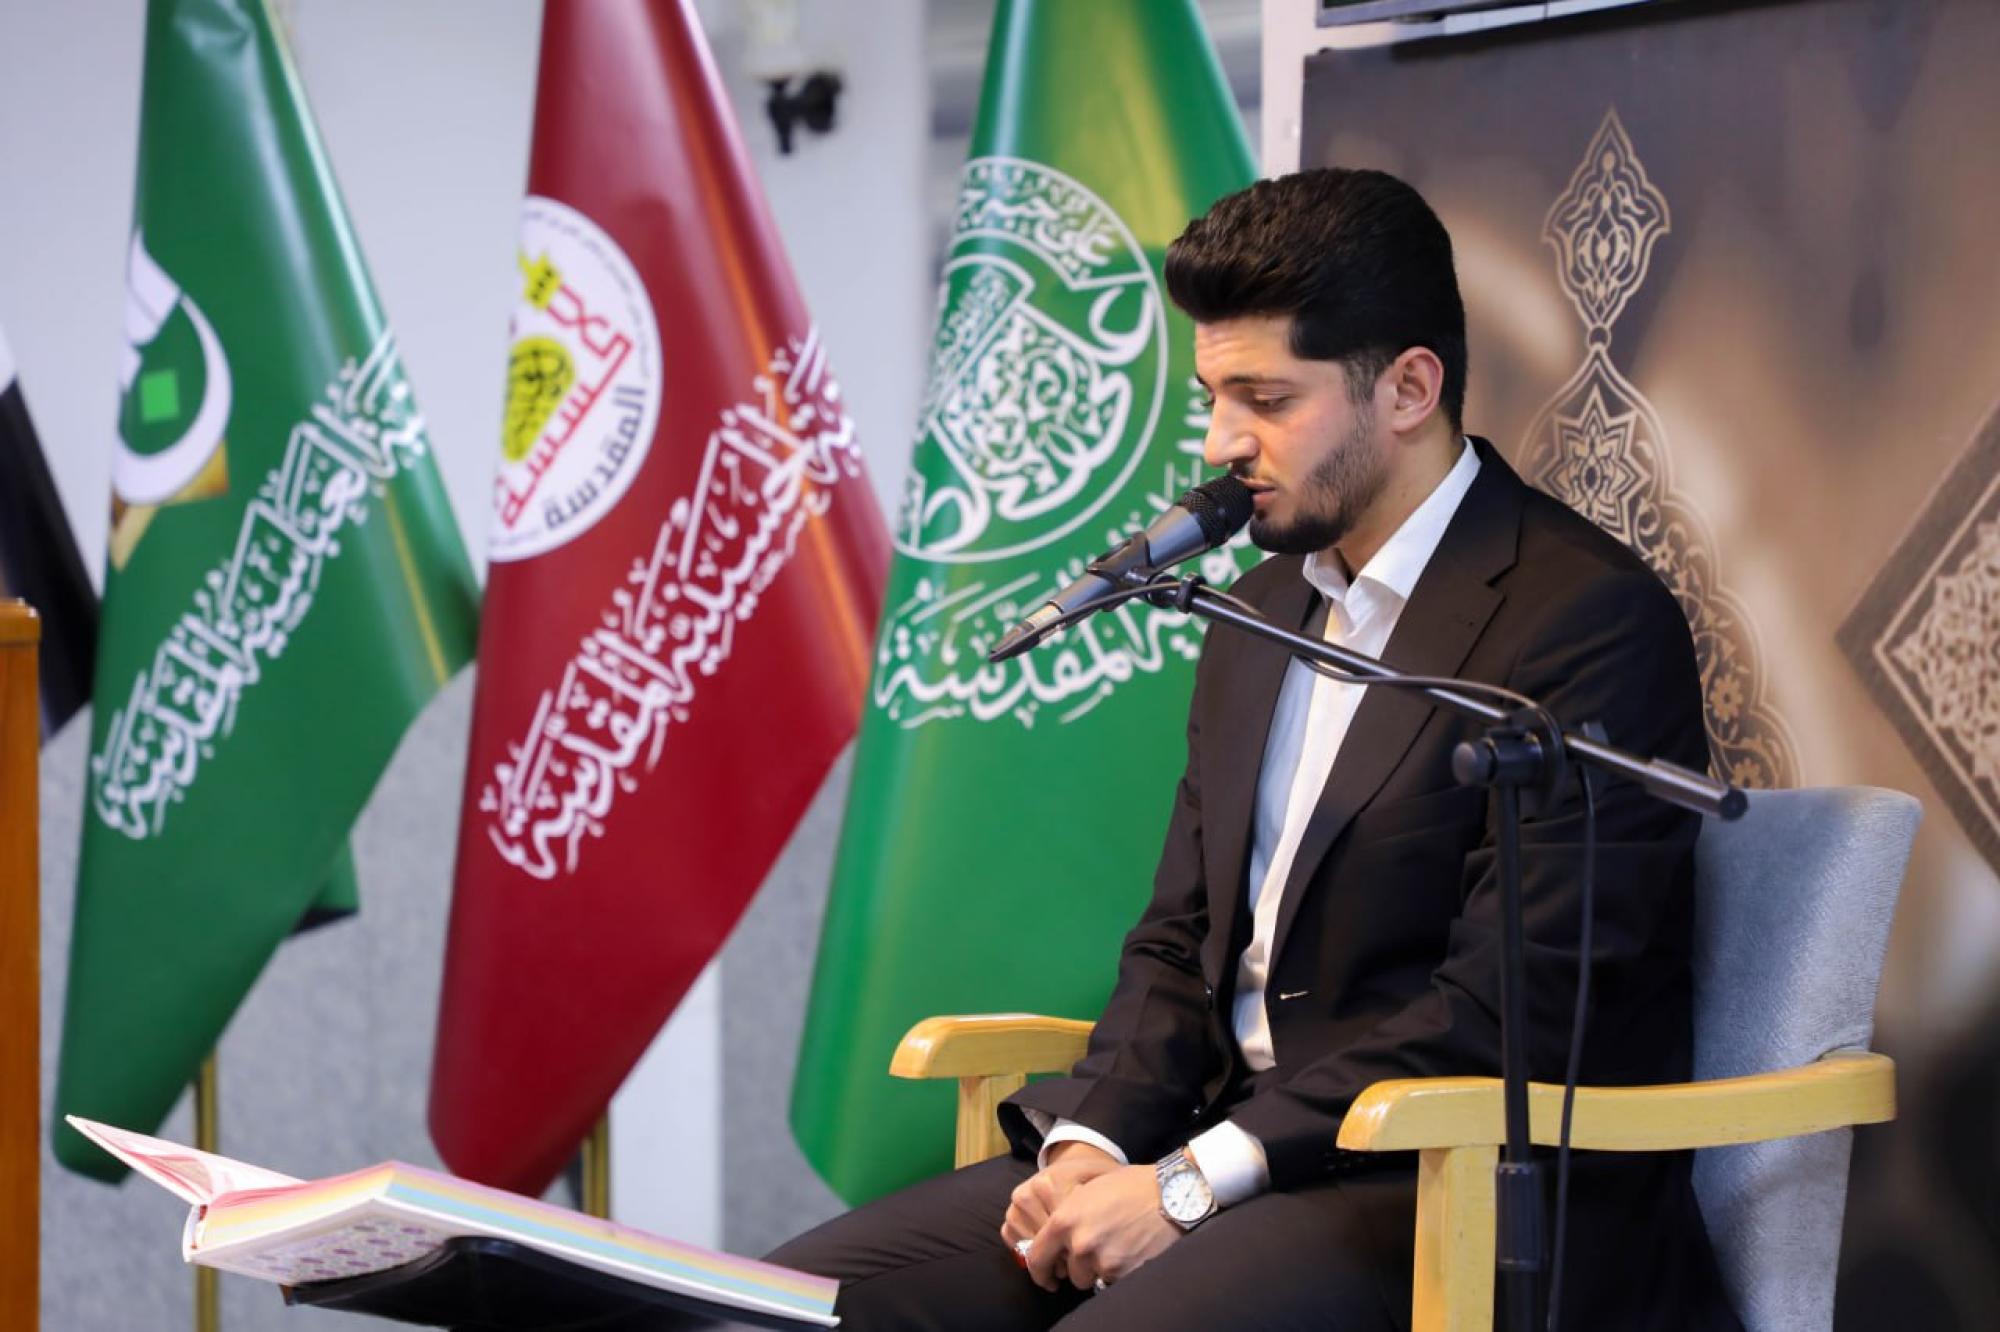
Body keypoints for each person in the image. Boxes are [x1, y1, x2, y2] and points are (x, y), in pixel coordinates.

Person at [766, 168, 1744, 1331]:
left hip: (1440, 1184)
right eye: (1212, 397)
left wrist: (1186, 1186)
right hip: (1212, 1153)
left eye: (1265, 400)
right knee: (772, 1307)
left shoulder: (1581, 621)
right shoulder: (1260, 607)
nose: (1221, 441)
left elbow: (1504, 1009)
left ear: (1407, 388)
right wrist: (1090, 1149)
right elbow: (1178, 939)